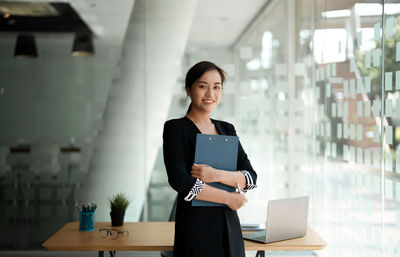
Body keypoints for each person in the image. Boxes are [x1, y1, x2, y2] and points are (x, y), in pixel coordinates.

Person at [163, 61, 257, 257]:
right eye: (202, 86)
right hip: (195, 231)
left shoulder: (227, 129)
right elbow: (181, 181)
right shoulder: (175, 129)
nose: (210, 94)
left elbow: (250, 177)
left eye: (217, 87)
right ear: (189, 90)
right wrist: (228, 198)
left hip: (229, 229)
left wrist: (216, 175)